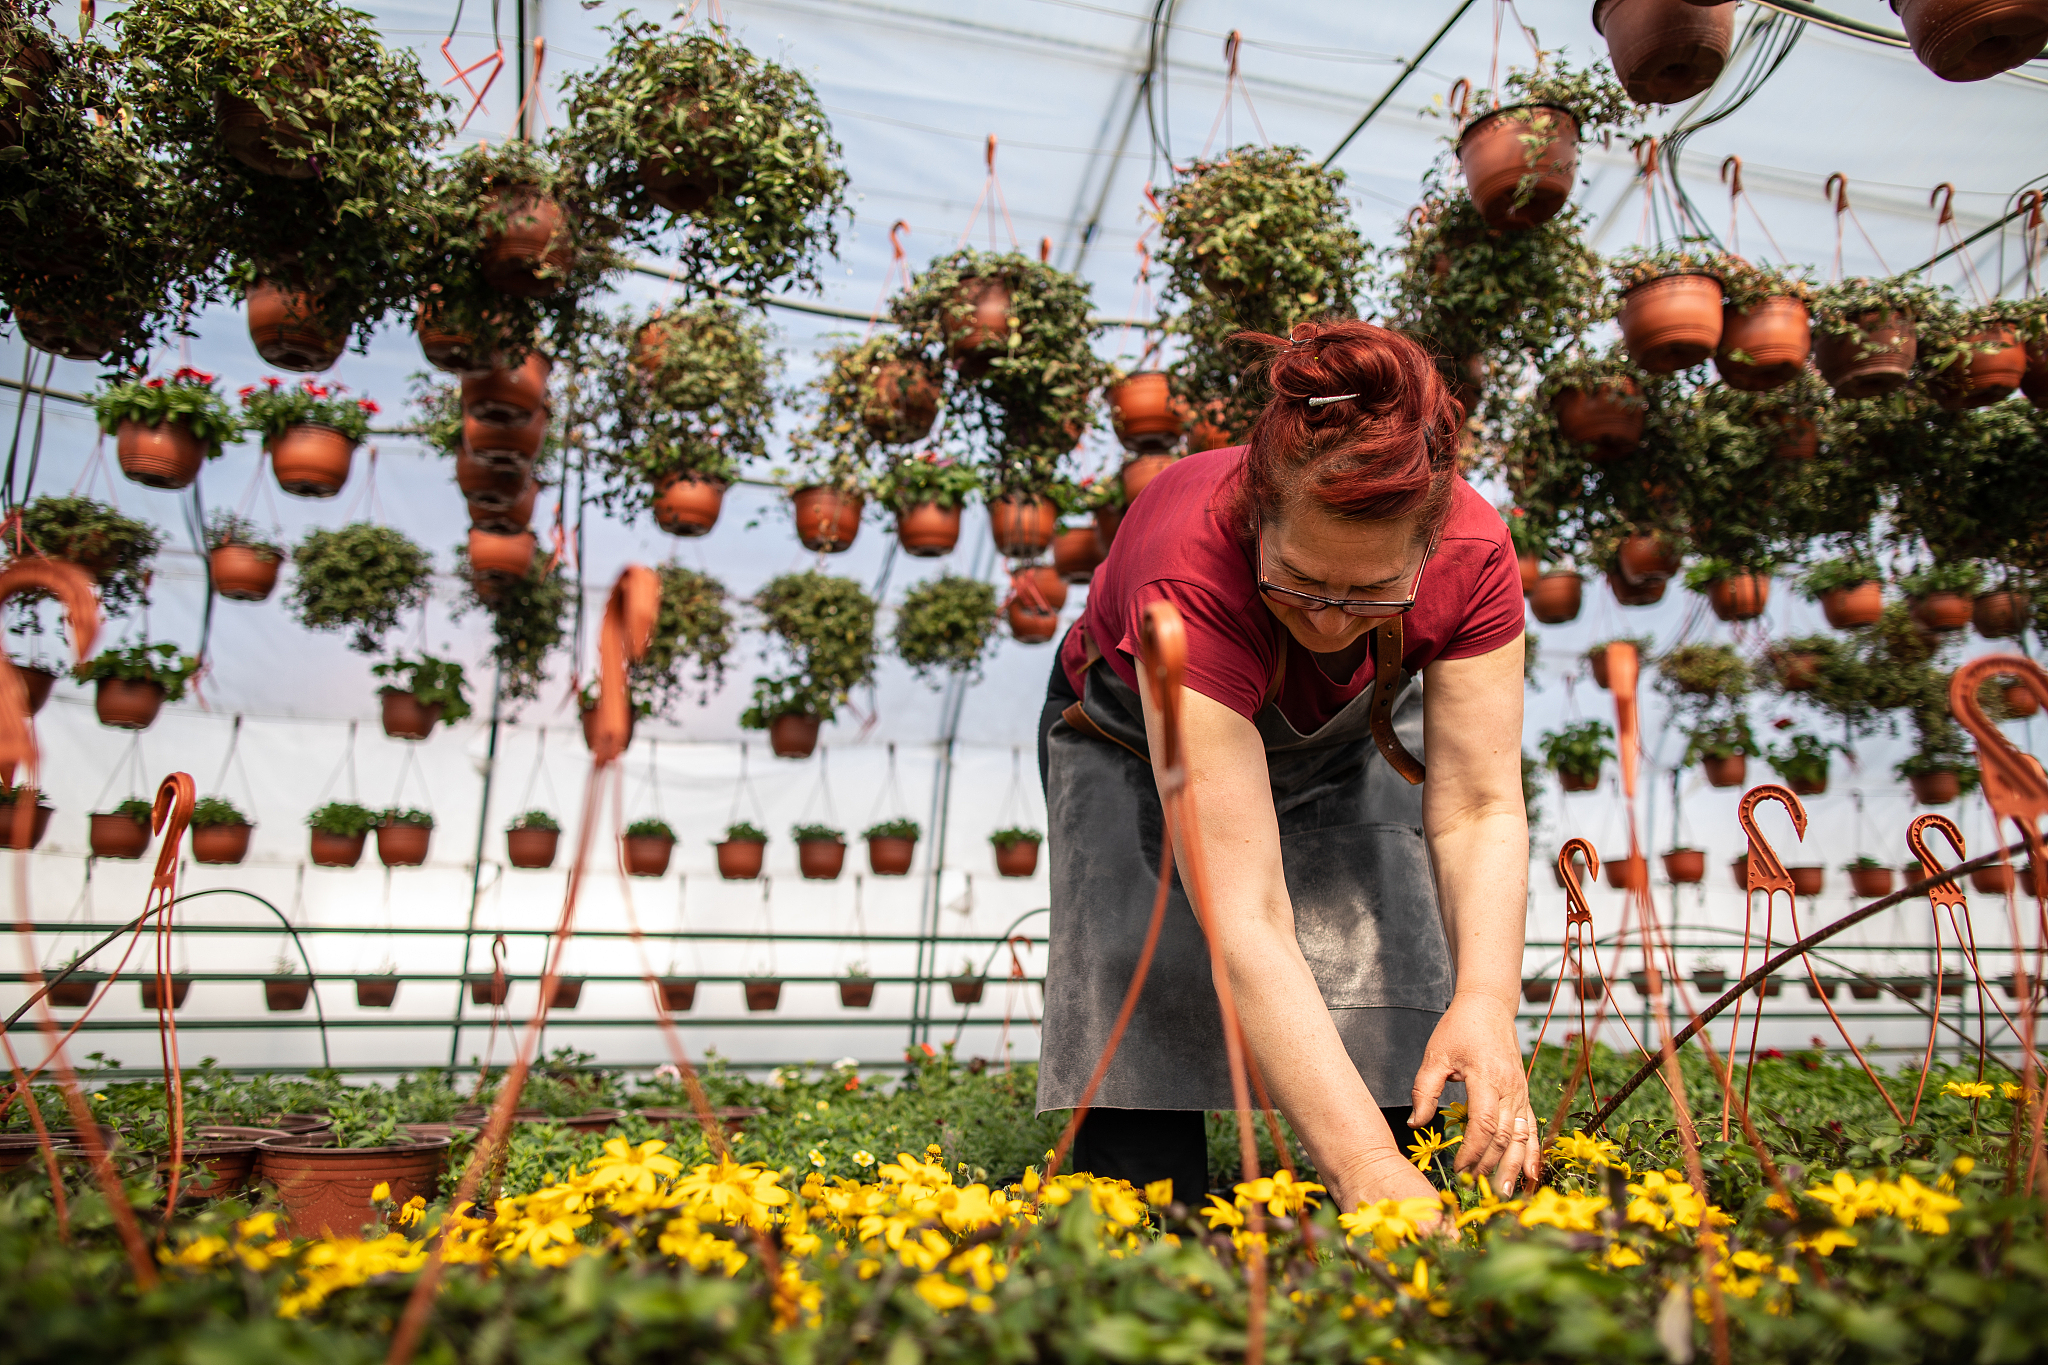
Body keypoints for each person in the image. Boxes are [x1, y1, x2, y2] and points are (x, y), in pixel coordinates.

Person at [1036, 318, 1536, 1213]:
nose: (1335, 624)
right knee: (1132, 961)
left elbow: (1479, 809)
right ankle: (1151, 1220)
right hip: (1125, 735)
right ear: (1258, 517)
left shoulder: (1475, 554)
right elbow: (1246, 914)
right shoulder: (1188, 573)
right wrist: (1364, 1173)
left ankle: (1397, 1179)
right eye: (1301, 581)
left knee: (1385, 955)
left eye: (1373, 594)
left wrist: (1489, 999)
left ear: (1429, 549)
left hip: (1340, 739)